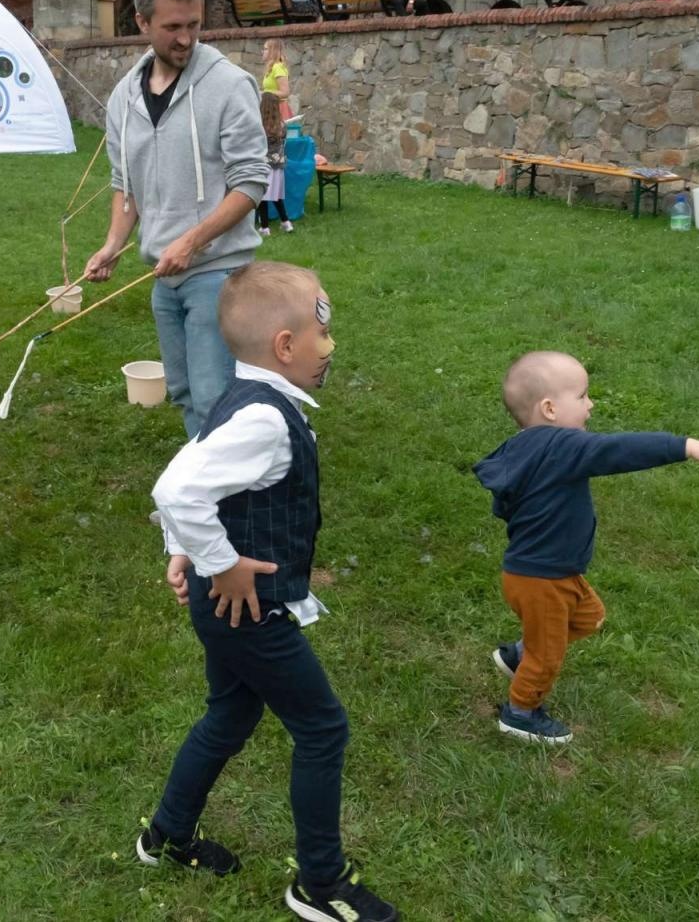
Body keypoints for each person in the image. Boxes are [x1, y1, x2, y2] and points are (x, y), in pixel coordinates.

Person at [142, 261, 400, 922]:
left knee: (230, 715)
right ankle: (319, 884)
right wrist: (216, 562)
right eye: (326, 335)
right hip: (246, 608)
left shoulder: (242, 398)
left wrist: (182, 550)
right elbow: (177, 489)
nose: (331, 348)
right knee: (322, 728)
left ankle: (167, 835)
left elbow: (184, 469)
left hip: (224, 604)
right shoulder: (263, 421)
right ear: (287, 346)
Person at [474, 351, 699, 744]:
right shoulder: (563, 447)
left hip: (544, 572)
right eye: (584, 396)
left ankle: (518, 654)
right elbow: (618, 450)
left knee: (588, 616)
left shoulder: (524, 448)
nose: (591, 404)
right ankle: (521, 713)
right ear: (550, 409)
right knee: (548, 656)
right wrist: (686, 446)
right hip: (542, 579)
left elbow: (506, 503)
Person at [85, 0, 270, 438]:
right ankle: (202, 500)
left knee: (214, 397)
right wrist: (112, 245)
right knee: (186, 391)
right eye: (171, 27)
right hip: (162, 276)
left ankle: (221, 505)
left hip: (217, 274)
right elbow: (125, 183)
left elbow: (251, 182)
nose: (186, 38)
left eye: (194, 24)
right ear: (142, 21)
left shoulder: (230, 86)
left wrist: (192, 241)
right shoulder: (124, 96)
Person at [256, 92, 289, 236]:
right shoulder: (281, 125)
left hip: (264, 165)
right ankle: (286, 223)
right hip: (278, 166)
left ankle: (265, 228)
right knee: (276, 195)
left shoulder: (260, 125)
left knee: (262, 197)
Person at [260, 38, 291, 114]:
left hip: (278, 110)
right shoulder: (271, 67)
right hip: (270, 108)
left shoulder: (278, 67)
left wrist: (264, 93)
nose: (262, 52)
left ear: (273, 51)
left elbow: (285, 93)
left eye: (265, 49)